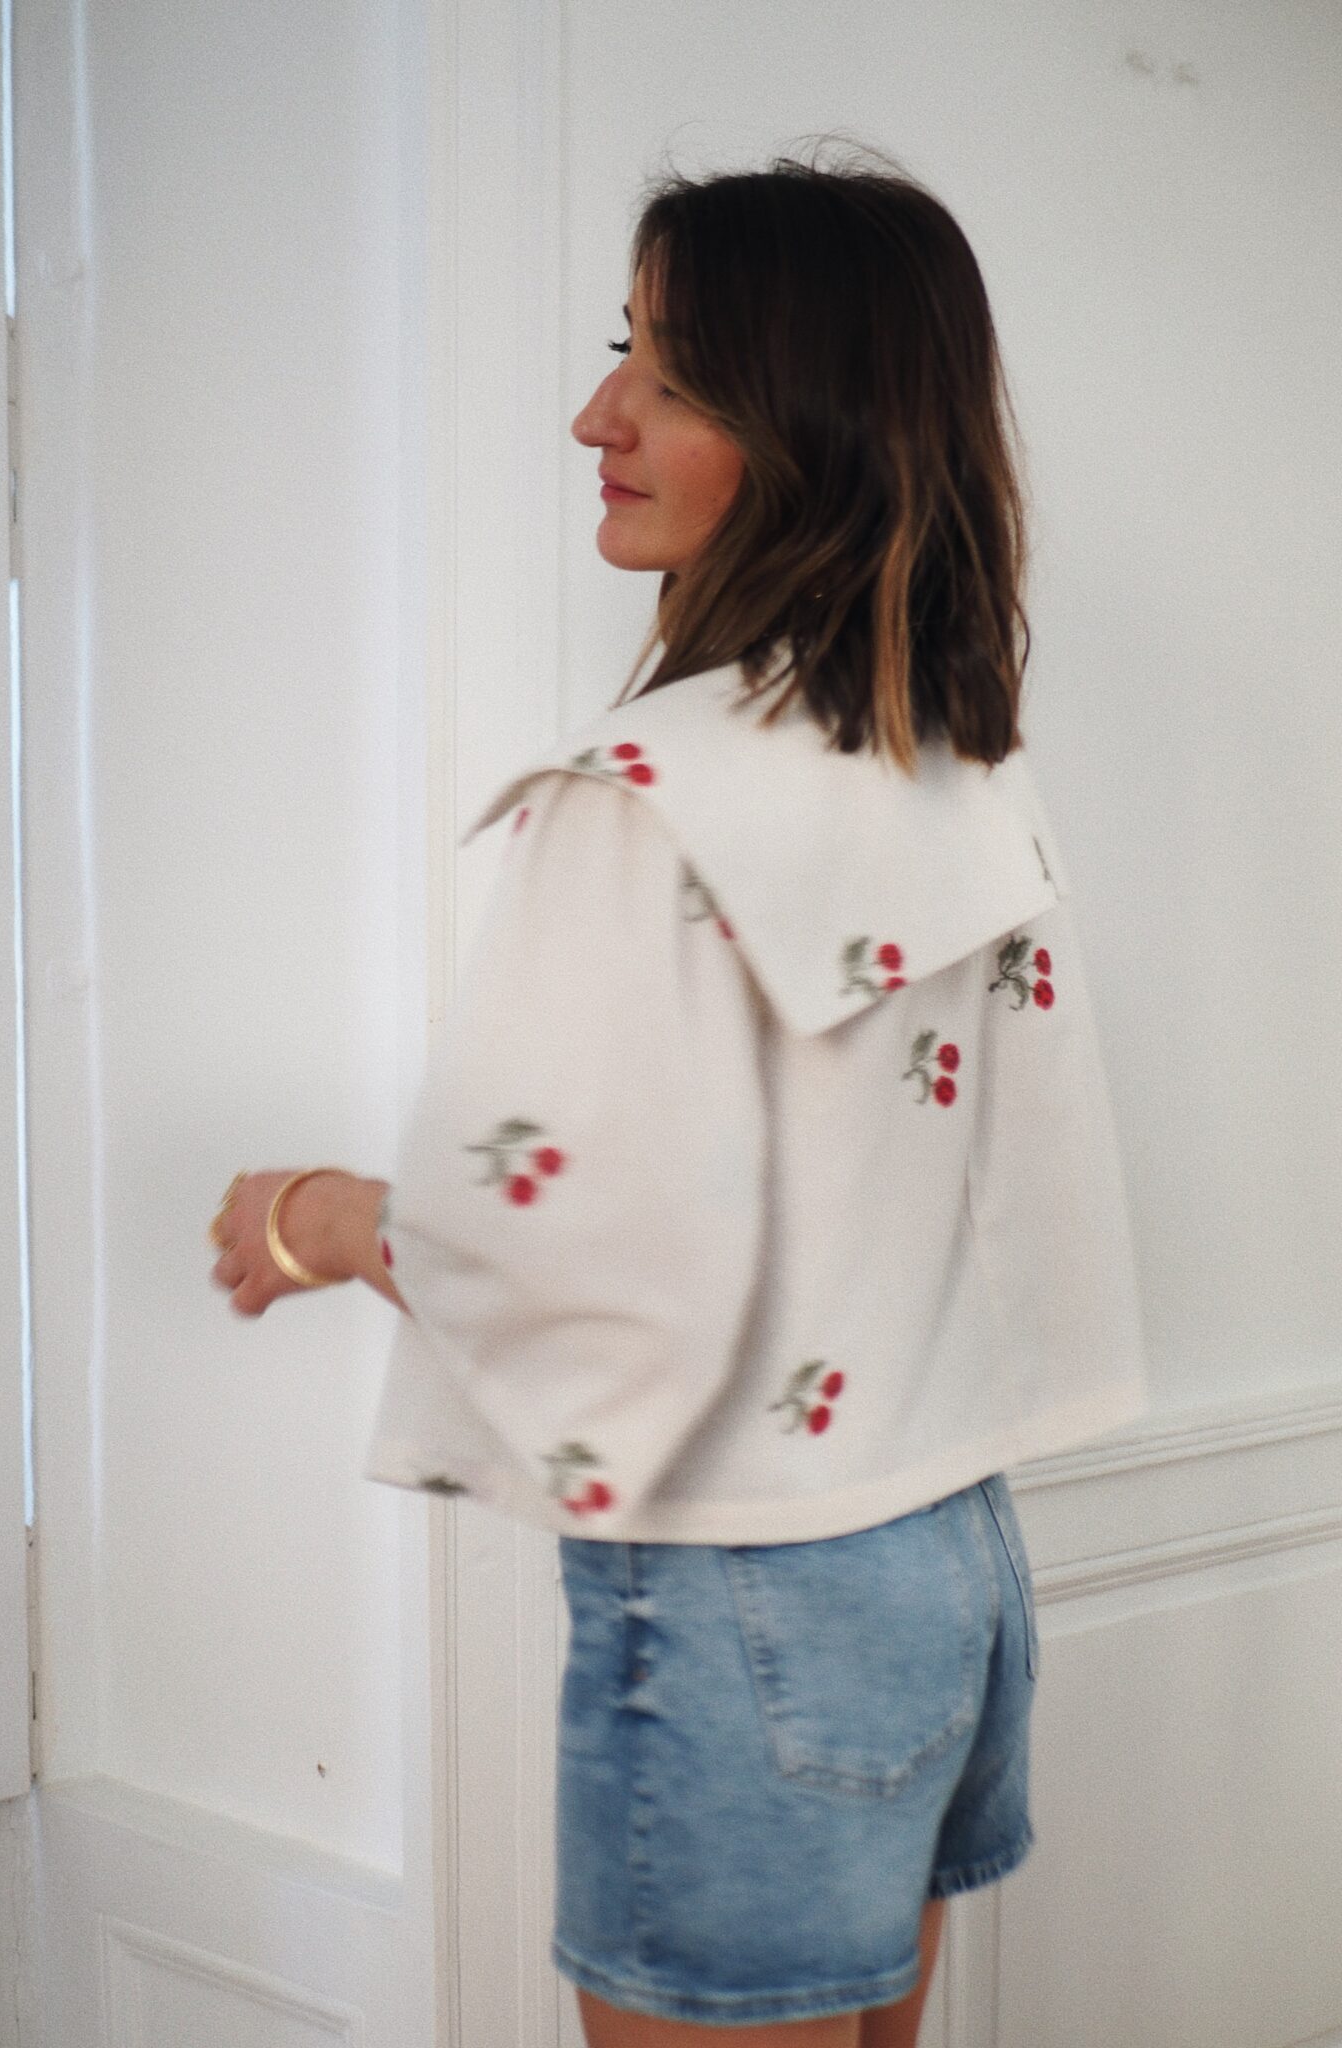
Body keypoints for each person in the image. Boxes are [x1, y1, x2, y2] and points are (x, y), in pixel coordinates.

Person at [209, 149, 1150, 2047]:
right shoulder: (956, 755)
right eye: (620, 351)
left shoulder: (649, 794)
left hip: (751, 1596)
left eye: (673, 376)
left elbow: (566, 1244)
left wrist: (315, 1219)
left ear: (816, 431)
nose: (598, 417)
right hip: (945, 1560)